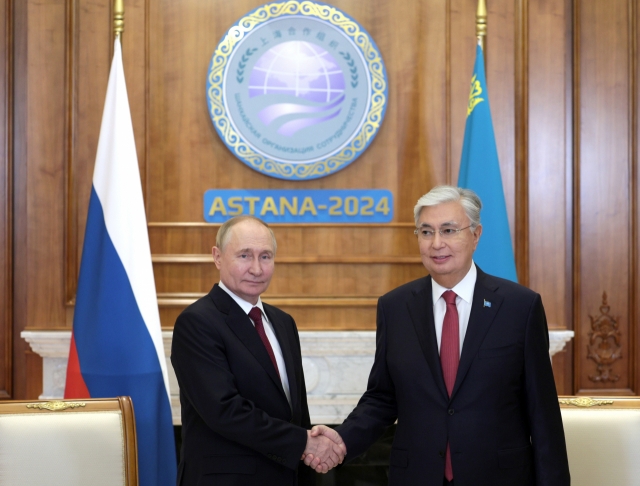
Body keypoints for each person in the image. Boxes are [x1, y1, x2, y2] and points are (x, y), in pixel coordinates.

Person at [307, 185, 570, 486]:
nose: (437, 243)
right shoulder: (395, 307)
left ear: (476, 234)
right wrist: (341, 440)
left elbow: (543, 413)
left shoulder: (519, 306)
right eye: (426, 232)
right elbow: (382, 398)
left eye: (448, 230)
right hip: (417, 476)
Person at [171, 215, 346, 486]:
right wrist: (305, 444)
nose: (256, 268)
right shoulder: (197, 322)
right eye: (244, 256)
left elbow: (296, 411)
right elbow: (225, 411)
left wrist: (311, 454)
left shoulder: (283, 323)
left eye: (265, 256)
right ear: (217, 257)